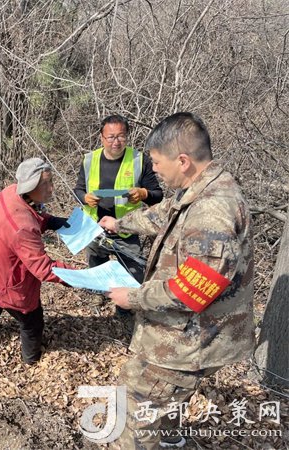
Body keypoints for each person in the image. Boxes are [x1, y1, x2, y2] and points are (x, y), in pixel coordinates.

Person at [99, 112, 255, 449]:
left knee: (136, 410)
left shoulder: (213, 211)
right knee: (169, 400)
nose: (154, 169)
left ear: (182, 161)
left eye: (157, 162)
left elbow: (193, 290)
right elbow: (163, 214)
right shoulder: (200, 188)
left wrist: (133, 297)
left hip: (187, 340)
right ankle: (172, 439)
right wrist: (119, 224)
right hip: (186, 332)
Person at [0, 158, 73, 364]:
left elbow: (30, 213)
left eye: (51, 181)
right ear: (30, 187)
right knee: (32, 322)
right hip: (8, 282)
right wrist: (81, 277)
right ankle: (31, 361)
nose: (51, 188)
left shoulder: (10, 192)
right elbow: (44, 269)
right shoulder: (22, 227)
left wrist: (52, 221)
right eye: (45, 184)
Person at [73, 115, 163, 286]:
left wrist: (143, 193)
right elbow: (78, 190)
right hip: (95, 229)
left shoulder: (139, 160)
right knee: (97, 275)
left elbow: (158, 195)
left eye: (121, 136)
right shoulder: (89, 159)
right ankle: (100, 295)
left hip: (127, 230)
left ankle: (127, 302)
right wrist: (85, 198)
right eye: (111, 137)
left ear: (127, 136)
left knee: (134, 279)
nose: (116, 142)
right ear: (102, 137)